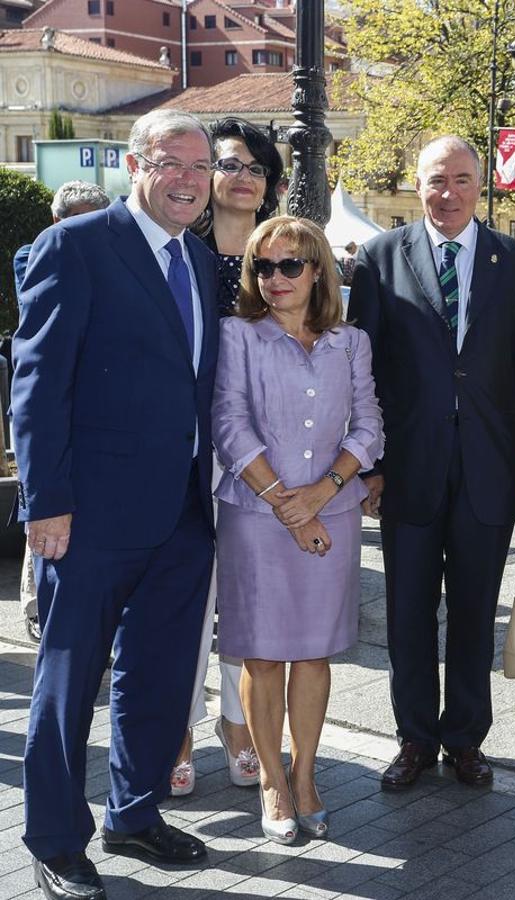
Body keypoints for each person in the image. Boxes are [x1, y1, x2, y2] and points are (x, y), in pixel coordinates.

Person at [14, 109, 220, 900]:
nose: (189, 180)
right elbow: (37, 387)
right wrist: (47, 503)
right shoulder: (77, 245)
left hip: (182, 517)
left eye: (200, 167)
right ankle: (55, 840)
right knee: (69, 683)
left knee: (162, 676)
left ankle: (134, 813)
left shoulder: (200, 262)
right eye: (173, 163)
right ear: (136, 165)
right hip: (89, 518)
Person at [348, 135, 515, 791]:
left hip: (489, 470)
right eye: (437, 180)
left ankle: (464, 738)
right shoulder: (379, 257)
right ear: (417, 182)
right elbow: (362, 371)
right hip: (408, 469)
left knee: (471, 612)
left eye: (462, 179)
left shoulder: (514, 262)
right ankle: (413, 739)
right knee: (406, 614)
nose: (449, 192)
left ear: (480, 184)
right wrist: (369, 464)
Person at [212, 215, 382, 843]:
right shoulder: (237, 335)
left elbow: (369, 428)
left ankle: (306, 776)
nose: (275, 278)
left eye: (289, 265)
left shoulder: (351, 342)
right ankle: (271, 784)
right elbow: (229, 424)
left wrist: (323, 492)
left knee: (312, 653)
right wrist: (286, 502)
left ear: (317, 271)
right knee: (262, 654)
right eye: (263, 266)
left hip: (330, 518)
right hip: (256, 517)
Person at [174, 115, 285, 800]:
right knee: (186, 595)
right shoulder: (179, 253)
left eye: (255, 167)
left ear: (270, 184)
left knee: (250, 596)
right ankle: (178, 727)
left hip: (265, 454)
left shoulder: (288, 252)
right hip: (186, 449)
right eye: (230, 164)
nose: (241, 176)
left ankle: (236, 722)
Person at [11, 180, 110, 647]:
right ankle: (38, 609)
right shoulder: (35, 256)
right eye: (77, 221)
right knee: (47, 518)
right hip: (53, 417)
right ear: (57, 222)